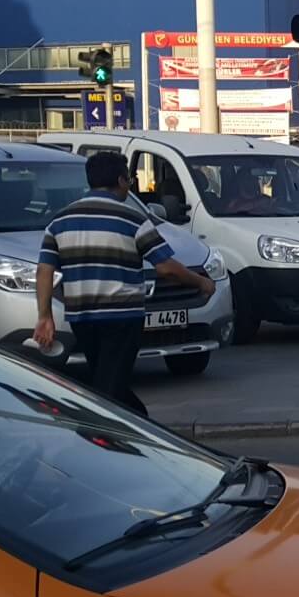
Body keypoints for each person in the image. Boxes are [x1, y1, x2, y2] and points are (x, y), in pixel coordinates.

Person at [34, 151, 214, 416]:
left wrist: (45, 316)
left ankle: (139, 427)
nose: (129, 184)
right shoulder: (132, 219)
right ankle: (107, 434)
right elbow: (165, 267)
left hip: (81, 318)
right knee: (109, 387)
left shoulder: (60, 221)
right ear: (121, 180)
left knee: (107, 380)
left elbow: (44, 270)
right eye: (128, 179)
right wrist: (201, 282)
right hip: (122, 317)